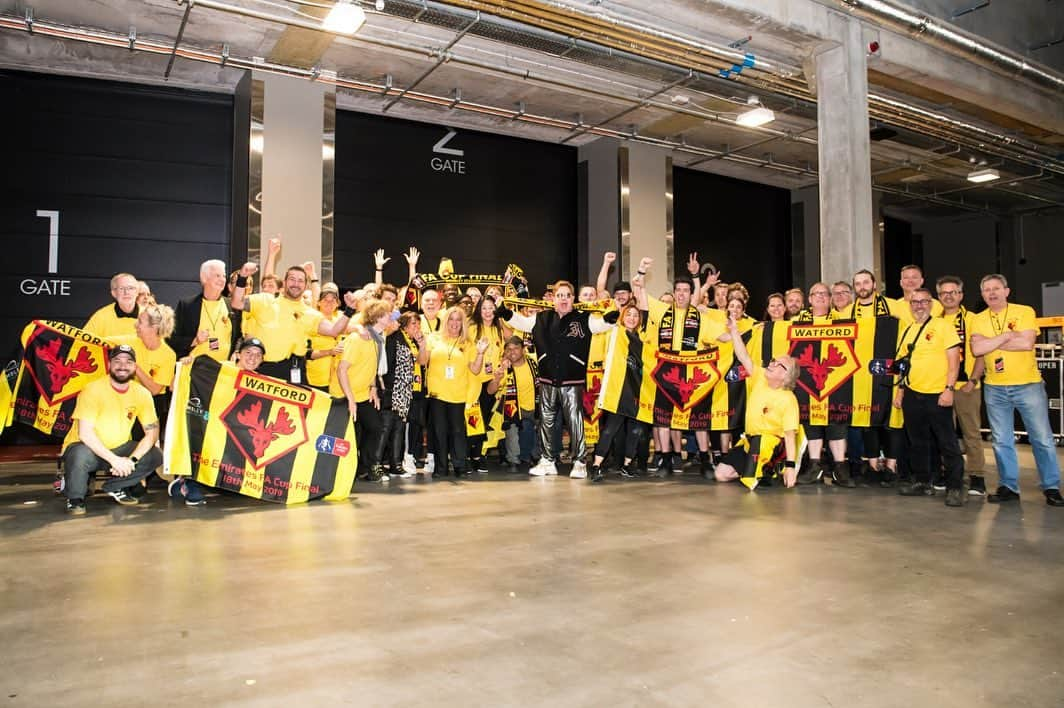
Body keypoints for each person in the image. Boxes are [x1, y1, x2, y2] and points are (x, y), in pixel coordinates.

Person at [496, 281, 617, 478]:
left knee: (575, 421)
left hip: (572, 380)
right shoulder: (541, 318)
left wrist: (611, 318)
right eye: (559, 295)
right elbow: (520, 322)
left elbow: (600, 325)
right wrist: (504, 312)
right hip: (547, 379)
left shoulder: (583, 318)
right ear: (553, 299)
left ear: (572, 299)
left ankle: (579, 462)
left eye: (567, 295)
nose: (563, 299)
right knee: (547, 420)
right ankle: (547, 460)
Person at [970, 274, 1064, 506]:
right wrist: (1006, 336)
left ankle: (1051, 487)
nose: (992, 293)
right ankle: (1008, 486)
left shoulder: (1024, 312)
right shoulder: (978, 319)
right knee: (1001, 441)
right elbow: (977, 349)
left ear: (1006, 291)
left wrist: (992, 341)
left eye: (996, 288)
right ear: (982, 294)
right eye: (987, 290)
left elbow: (1026, 343)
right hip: (995, 387)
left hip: (1027, 385)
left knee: (1041, 438)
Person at [632, 255, 726, 477]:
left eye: (686, 290)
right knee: (663, 418)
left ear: (691, 293)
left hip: (693, 375)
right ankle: (665, 460)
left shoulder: (700, 317)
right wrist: (642, 270)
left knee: (699, 420)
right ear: (674, 293)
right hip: (667, 374)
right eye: (679, 290)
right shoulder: (662, 311)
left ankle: (705, 460)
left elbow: (721, 337)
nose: (682, 293)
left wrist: (741, 334)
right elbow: (639, 293)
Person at [60, 344, 163, 514]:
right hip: (87, 448)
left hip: (119, 447)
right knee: (79, 454)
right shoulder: (92, 389)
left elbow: (152, 433)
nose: (123, 366)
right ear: (109, 365)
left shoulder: (142, 393)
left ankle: (115, 487)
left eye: (128, 362)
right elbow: (85, 434)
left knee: (155, 454)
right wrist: (115, 460)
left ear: (135, 367)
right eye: (117, 361)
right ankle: (75, 498)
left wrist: (132, 460)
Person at [168, 337, 265, 506]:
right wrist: (184, 367)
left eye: (258, 355)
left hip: (234, 431)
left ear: (262, 360)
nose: (252, 358)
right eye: (248, 352)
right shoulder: (219, 369)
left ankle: (188, 483)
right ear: (237, 355)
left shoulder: (261, 383)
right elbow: (173, 387)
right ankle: (189, 480)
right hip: (210, 426)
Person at [893, 288, 967, 507]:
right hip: (913, 394)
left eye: (924, 301)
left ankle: (954, 487)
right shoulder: (907, 330)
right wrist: (900, 391)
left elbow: (954, 362)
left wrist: (949, 389)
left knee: (947, 443)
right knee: (918, 442)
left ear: (931, 304)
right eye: (915, 302)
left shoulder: (943, 326)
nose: (919, 306)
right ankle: (923, 482)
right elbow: (903, 364)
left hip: (938, 394)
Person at [230, 262, 357, 384]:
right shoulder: (265, 300)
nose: (296, 284)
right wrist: (243, 277)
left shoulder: (310, 314)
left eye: (301, 280)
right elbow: (236, 303)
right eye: (292, 279)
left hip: (294, 372)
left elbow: (334, 330)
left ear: (306, 285)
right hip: (264, 370)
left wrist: (349, 310)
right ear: (284, 283)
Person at [714, 317, 800, 489]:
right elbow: (742, 355)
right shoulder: (760, 376)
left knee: (750, 482)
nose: (772, 363)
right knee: (721, 475)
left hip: (770, 444)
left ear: (786, 376)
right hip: (749, 441)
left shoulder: (788, 399)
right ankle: (758, 468)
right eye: (774, 360)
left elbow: (790, 436)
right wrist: (734, 332)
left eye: (778, 364)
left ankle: (775, 465)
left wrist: (791, 467)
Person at [793, 283, 854, 487]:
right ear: (809, 300)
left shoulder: (841, 321)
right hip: (807, 385)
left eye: (824, 294)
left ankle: (840, 468)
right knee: (811, 424)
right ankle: (814, 466)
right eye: (815, 294)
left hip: (835, 384)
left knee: (836, 425)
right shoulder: (796, 322)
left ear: (830, 299)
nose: (819, 297)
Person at [936, 275, 988, 496]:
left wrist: (974, 380)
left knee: (971, 433)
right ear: (938, 297)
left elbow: (981, 353)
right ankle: (947, 472)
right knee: (943, 434)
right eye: (944, 293)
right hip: (940, 386)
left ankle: (977, 476)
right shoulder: (934, 320)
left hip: (967, 386)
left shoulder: (973, 319)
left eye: (953, 292)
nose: (948, 296)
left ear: (961, 295)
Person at [423, 306, 489, 478]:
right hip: (437, 393)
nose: (454, 323)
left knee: (458, 432)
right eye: (451, 319)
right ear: (445, 321)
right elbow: (423, 361)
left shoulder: (467, 344)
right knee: (439, 431)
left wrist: (481, 353)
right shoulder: (434, 338)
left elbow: (475, 370)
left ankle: (460, 466)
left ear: (462, 323)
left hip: (458, 395)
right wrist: (422, 346)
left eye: (458, 320)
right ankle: (441, 468)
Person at [588, 303, 649, 482]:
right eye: (628, 314)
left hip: (637, 391)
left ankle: (627, 465)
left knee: (635, 430)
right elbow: (609, 318)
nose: (632, 317)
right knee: (610, 430)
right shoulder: (616, 332)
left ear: (639, 320)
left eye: (635, 315)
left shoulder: (642, 337)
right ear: (623, 316)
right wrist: (613, 307)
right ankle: (596, 465)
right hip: (618, 390)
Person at [337, 300, 393, 482]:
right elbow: (341, 369)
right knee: (350, 436)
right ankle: (348, 472)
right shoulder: (356, 339)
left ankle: (366, 467)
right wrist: (350, 399)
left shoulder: (377, 339)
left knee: (376, 427)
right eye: (386, 314)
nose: (390, 317)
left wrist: (374, 388)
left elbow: (372, 368)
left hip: (363, 393)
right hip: (344, 395)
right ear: (377, 317)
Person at [377, 311, 429, 478]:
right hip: (392, 390)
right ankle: (376, 464)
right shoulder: (394, 338)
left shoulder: (412, 342)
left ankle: (396, 464)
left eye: (418, 324)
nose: (417, 327)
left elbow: (422, 362)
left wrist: (422, 346)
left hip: (406, 392)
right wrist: (386, 388)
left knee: (399, 428)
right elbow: (386, 365)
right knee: (386, 428)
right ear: (404, 324)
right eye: (413, 324)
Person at [172, 259, 240, 364]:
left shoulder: (232, 306)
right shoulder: (187, 306)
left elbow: (239, 336)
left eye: (223, 276)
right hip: (194, 371)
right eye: (217, 276)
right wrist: (195, 340)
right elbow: (172, 339)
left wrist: (237, 351)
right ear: (204, 278)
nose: (222, 279)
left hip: (225, 372)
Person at [467, 296, 507, 471]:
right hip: (474, 380)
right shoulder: (472, 329)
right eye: (484, 308)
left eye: (491, 308)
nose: (488, 312)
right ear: (478, 310)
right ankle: (471, 455)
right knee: (474, 419)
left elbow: (509, 343)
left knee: (486, 419)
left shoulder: (499, 329)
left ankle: (479, 454)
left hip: (493, 381)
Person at [488, 337, 538, 467]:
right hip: (513, 410)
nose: (513, 352)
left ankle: (532, 456)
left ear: (523, 350)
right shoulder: (504, 368)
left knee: (543, 425)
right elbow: (490, 391)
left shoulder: (534, 362)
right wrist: (497, 379)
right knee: (513, 436)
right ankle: (515, 459)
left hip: (536, 408)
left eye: (516, 348)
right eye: (509, 349)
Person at [306, 283, 346, 392]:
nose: (329, 302)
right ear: (318, 302)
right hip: (316, 379)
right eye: (325, 299)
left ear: (338, 303)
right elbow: (307, 353)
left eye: (333, 300)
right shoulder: (312, 318)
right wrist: (330, 351)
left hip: (338, 381)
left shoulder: (342, 318)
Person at [83, 272, 140, 338]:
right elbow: (83, 342)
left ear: (137, 292)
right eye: (121, 288)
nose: (126, 292)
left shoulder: (147, 314)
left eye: (131, 288)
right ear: (114, 293)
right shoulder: (101, 316)